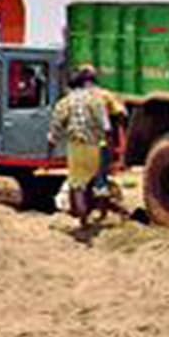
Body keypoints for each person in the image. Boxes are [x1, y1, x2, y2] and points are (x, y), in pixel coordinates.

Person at [47, 64, 126, 220]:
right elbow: (108, 124)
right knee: (100, 179)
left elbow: (55, 127)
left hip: (76, 147)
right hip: (96, 146)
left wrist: (51, 146)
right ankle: (102, 214)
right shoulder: (98, 99)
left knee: (77, 184)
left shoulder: (65, 102)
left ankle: (82, 218)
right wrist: (111, 145)